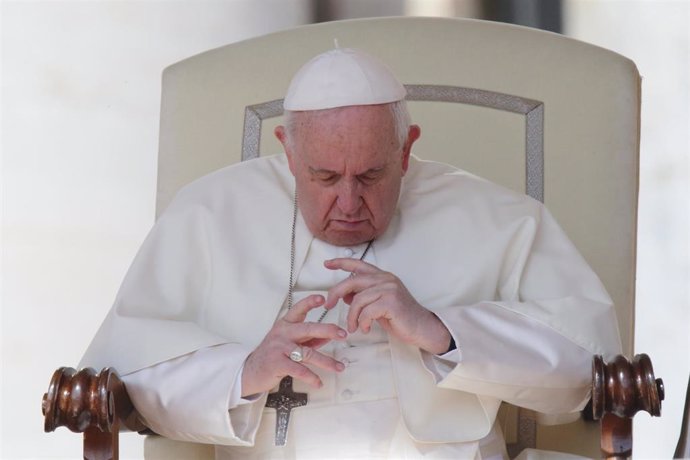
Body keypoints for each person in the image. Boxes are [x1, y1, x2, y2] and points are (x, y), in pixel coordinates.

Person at [80, 47, 622, 459]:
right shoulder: (208, 212)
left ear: (407, 149)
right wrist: (244, 370)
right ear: (287, 151)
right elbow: (123, 375)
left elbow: (589, 367)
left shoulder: (499, 218)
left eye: (370, 175)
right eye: (323, 175)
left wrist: (443, 332)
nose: (347, 202)